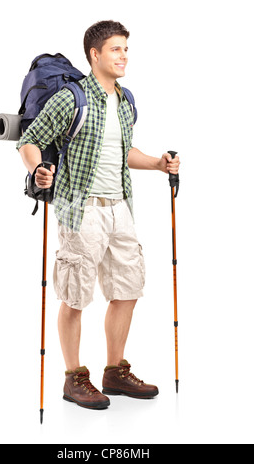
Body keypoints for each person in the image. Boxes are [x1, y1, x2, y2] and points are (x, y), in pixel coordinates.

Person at [17, 20, 180, 410]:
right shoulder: (71, 98)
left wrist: (158, 163)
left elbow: (122, 152)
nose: (124, 55)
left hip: (121, 207)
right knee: (75, 296)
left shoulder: (125, 100)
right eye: (116, 49)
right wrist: (37, 170)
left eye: (126, 49)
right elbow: (30, 140)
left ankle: (114, 373)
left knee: (128, 290)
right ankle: (74, 378)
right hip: (81, 209)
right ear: (95, 54)